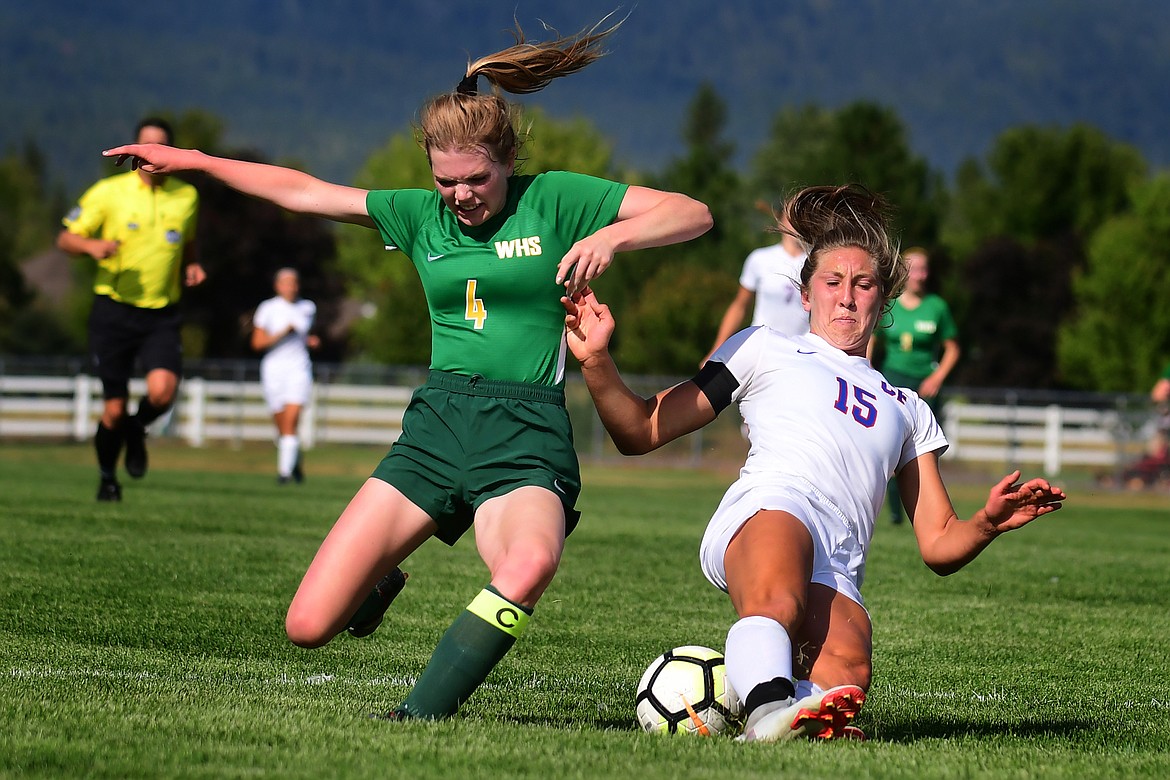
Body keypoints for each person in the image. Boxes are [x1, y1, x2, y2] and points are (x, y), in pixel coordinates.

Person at [103, 16, 712, 721]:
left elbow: (691, 214)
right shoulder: (419, 216)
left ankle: (419, 716)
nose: (460, 196)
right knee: (306, 628)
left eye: (476, 179)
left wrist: (614, 234)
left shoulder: (553, 198)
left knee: (528, 565)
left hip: (525, 433)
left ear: (506, 161)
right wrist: (200, 163)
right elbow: (303, 191)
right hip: (434, 429)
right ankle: (380, 577)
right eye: (444, 181)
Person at [563, 184, 1065, 743]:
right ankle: (766, 712)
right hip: (773, 504)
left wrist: (988, 523)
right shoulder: (762, 348)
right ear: (806, 295)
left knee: (846, 680)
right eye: (832, 282)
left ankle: (754, 696)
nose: (846, 298)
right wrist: (597, 360)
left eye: (863, 284)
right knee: (778, 598)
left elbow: (939, 545)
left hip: (840, 556)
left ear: (885, 299)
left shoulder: (909, 409)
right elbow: (640, 430)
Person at [58, 116, 205, 502]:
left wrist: (192, 263)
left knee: (162, 392)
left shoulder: (186, 196)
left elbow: (187, 242)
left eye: (160, 147)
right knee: (113, 410)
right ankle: (108, 477)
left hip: (161, 313)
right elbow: (66, 237)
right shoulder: (108, 192)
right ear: (133, 150)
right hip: (114, 311)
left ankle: (137, 430)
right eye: (144, 146)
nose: (150, 154)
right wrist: (91, 247)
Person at [868, 247, 960, 524]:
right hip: (892, 381)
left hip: (925, 386)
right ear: (903, 272)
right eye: (914, 268)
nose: (920, 275)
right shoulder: (889, 304)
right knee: (891, 447)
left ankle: (925, 513)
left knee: (922, 451)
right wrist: (867, 368)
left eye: (924, 269)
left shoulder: (937, 307)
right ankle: (895, 513)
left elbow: (952, 348)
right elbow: (871, 336)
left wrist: (937, 376)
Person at [703, 205, 808, 364]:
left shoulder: (816, 263)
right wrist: (717, 348)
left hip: (800, 352)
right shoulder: (760, 259)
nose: (796, 224)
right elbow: (740, 305)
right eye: (791, 218)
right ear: (781, 222)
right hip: (761, 347)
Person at [251, 267, 319, 484]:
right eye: (286, 283)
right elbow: (257, 343)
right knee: (282, 427)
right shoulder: (268, 308)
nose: (291, 287)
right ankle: (295, 463)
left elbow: (305, 335)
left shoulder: (307, 307)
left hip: (298, 369)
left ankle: (284, 473)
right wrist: (282, 333)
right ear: (277, 286)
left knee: (291, 421)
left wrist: (310, 341)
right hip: (273, 371)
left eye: (294, 283)